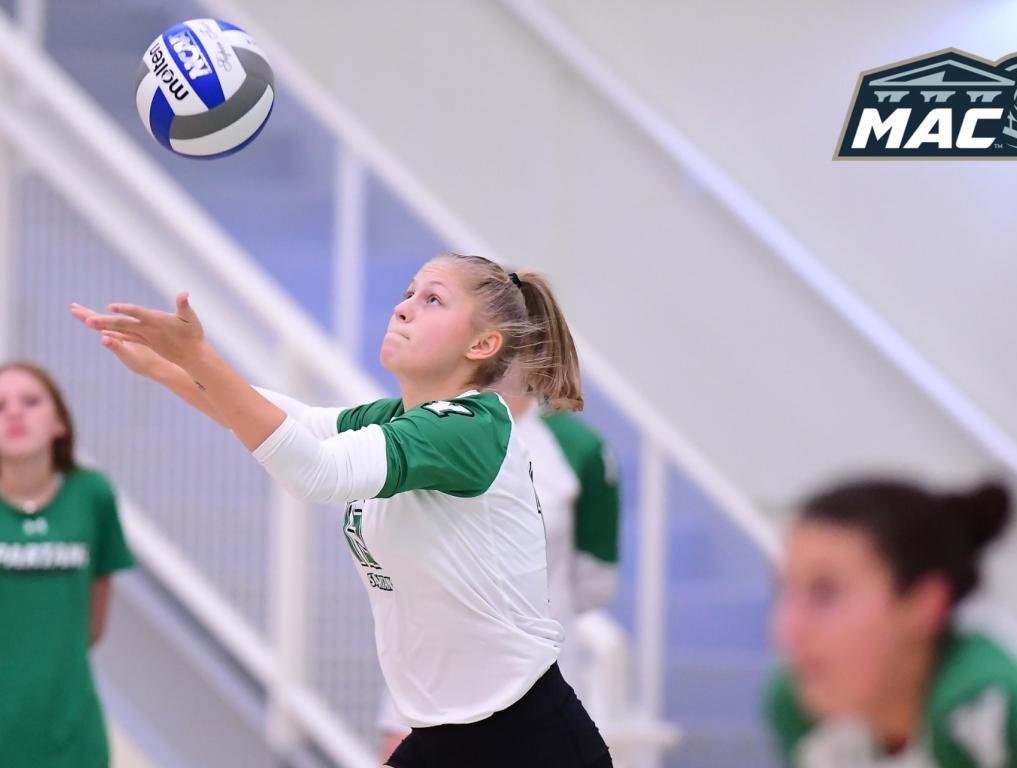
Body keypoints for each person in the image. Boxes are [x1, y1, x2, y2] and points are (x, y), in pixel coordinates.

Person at [71, 253, 613, 768]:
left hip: (529, 740)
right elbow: (295, 422)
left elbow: (315, 470)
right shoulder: (400, 416)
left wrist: (200, 359)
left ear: (483, 344)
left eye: (432, 300)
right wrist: (168, 367)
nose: (403, 307)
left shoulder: (468, 427)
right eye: (407, 293)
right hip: (449, 735)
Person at [377, 364, 621, 760]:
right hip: (434, 702)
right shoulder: (423, 432)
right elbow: (408, 582)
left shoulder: (580, 450)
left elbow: (595, 585)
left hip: (537, 705)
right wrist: (394, 715)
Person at [766, 476, 1017, 767]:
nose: (789, 627)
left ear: (925, 605)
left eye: (825, 593)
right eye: (783, 590)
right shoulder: (795, 708)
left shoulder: (998, 707)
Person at [0, 361, 134, 768]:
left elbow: (93, 623)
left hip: (71, 734)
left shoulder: (93, 495)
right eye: (0, 406)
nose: (15, 413)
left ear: (60, 422)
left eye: (31, 401)